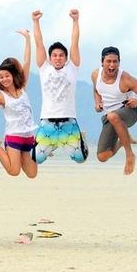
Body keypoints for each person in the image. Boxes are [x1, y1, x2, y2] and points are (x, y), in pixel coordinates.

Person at [0, 30, 38, 178]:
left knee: (32, 174)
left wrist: (28, 39)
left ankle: (34, 152)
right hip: (13, 135)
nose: (4, 79)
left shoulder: (22, 88)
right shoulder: (0, 97)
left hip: (29, 136)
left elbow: (27, 61)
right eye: (1, 77)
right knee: (13, 171)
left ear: (13, 75)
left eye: (7, 76)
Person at [32, 9, 88, 164]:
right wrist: (36, 22)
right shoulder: (44, 68)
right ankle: (53, 144)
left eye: (61, 55)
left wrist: (75, 21)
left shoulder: (72, 68)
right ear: (50, 58)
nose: (58, 58)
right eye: (55, 55)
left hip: (68, 121)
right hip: (47, 121)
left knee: (80, 159)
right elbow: (39, 44)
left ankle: (71, 140)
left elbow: (75, 42)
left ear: (66, 58)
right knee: (36, 159)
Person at [92, 47, 137, 175]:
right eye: (108, 61)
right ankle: (123, 140)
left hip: (129, 112)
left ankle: (129, 155)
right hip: (109, 116)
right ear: (102, 62)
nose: (112, 65)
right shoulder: (95, 75)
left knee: (113, 116)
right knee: (102, 156)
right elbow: (96, 89)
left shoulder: (125, 79)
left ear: (119, 62)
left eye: (115, 61)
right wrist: (97, 103)